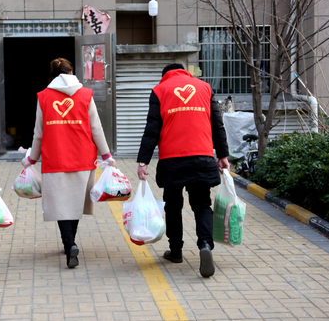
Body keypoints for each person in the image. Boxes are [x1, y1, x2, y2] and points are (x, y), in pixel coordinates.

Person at [136, 63, 229, 278]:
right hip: (202, 157)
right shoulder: (205, 88)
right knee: (202, 204)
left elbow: (152, 128)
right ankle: (205, 244)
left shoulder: (160, 90)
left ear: (164, 75)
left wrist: (143, 161)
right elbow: (217, 124)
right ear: (185, 72)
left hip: (172, 160)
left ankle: (176, 250)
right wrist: (223, 155)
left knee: (173, 205)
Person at [21, 58, 115, 268]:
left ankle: (69, 243)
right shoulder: (85, 94)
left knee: (61, 204)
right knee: (75, 202)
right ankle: (70, 242)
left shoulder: (44, 97)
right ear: (71, 71)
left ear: (51, 75)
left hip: (55, 158)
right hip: (83, 157)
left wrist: (31, 159)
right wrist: (106, 155)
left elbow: (39, 133)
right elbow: (96, 128)